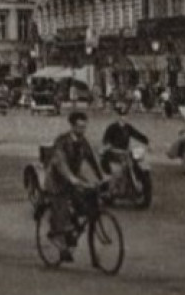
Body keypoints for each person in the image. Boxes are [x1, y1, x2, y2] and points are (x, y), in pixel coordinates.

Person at [46, 110, 103, 262]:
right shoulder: (62, 141)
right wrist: (71, 178)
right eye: (79, 127)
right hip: (57, 181)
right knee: (62, 207)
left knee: (87, 207)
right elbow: (60, 162)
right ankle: (58, 237)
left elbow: (92, 159)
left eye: (84, 127)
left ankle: (86, 249)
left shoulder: (83, 141)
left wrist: (101, 178)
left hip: (74, 180)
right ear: (72, 126)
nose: (82, 130)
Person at [99, 101, 149, 186]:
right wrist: (108, 146)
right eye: (121, 115)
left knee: (136, 164)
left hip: (125, 153)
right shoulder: (112, 127)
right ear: (117, 116)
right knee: (116, 171)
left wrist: (147, 141)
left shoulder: (128, 127)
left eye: (125, 115)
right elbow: (105, 140)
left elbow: (137, 134)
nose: (123, 117)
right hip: (114, 153)